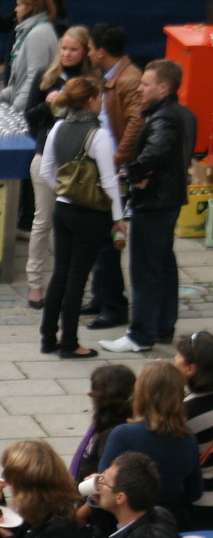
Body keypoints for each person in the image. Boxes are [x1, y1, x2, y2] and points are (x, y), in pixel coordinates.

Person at [103, 60, 196, 355]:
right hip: (169, 201)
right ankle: (162, 326)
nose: (140, 89)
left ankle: (140, 334)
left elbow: (156, 150)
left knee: (145, 269)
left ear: (163, 87)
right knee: (164, 265)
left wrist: (133, 173)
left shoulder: (163, 118)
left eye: (146, 84)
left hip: (154, 203)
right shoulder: (183, 113)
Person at [39, 77, 125, 361]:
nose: (101, 102)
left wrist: (64, 191)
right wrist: (118, 218)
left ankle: (48, 337)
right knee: (77, 278)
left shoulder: (58, 127)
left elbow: (46, 171)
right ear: (89, 101)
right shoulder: (97, 135)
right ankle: (70, 343)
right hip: (90, 213)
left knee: (60, 274)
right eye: (98, 98)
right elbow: (109, 180)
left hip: (63, 209)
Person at [22, 26, 97, 310]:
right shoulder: (47, 77)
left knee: (74, 223)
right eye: (63, 48)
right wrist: (47, 105)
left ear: (85, 52)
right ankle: (35, 283)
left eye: (73, 49)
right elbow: (28, 119)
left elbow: (97, 118)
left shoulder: (90, 82)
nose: (66, 54)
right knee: (43, 221)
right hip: (47, 156)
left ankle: (70, 282)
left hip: (79, 161)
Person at [80, 23, 143, 333]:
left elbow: (135, 123)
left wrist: (116, 160)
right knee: (97, 238)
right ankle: (101, 295)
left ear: (101, 52)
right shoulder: (112, 77)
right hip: (104, 169)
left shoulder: (129, 80)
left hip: (115, 173)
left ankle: (114, 305)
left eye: (90, 48)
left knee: (107, 241)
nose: (88, 52)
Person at [98, 360, 203, 522]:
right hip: (170, 522)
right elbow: (194, 491)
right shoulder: (188, 438)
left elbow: (103, 486)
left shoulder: (124, 435)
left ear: (141, 393)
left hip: (125, 522)